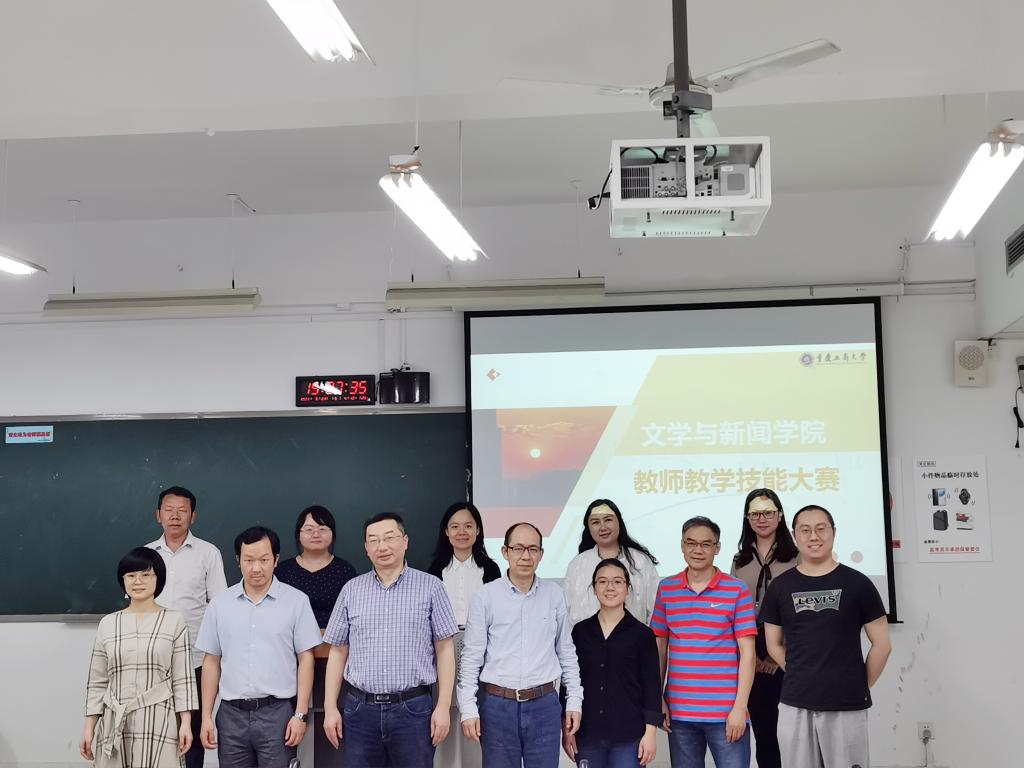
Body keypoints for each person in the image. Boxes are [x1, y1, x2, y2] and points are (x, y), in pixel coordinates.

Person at [322, 512, 459, 768]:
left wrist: (443, 707)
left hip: (413, 709)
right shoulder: (351, 590)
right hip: (360, 711)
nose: (382, 546)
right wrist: (330, 708)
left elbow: (445, 649)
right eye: (373, 540)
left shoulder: (431, 587)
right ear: (366, 548)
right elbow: (338, 652)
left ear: (405, 541)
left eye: (389, 538)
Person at [761, 505, 892, 768]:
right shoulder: (780, 587)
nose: (814, 536)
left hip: (846, 705)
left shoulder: (858, 583)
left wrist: (859, 684)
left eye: (821, 529)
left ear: (834, 532)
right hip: (795, 703)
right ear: (794, 535)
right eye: (805, 530)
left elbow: (882, 645)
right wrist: (799, 671)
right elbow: (773, 644)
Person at [458, 522, 584, 768]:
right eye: (518, 548)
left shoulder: (554, 594)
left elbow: (567, 652)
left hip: (544, 705)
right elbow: (471, 658)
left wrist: (574, 701)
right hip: (497, 707)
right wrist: (469, 708)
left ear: (541, 554)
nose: (526, 556)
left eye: (533, 549)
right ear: (505, 552)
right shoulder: (485, 596)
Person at [195, 526, 322, 768]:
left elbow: (306, 659)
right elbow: (211, 661)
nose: (256, 568)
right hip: (231, 715)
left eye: (263, 560)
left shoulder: (296, 601)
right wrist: (206, 717)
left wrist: (300, 714)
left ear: (275, 560)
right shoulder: (220, 605)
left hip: (277, 713)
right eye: (249, 560)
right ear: (238, 560)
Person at [651, 516, 756, 768]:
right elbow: (659, 648)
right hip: (679, 713)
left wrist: (740, 707)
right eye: (691, 543)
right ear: (682, 545)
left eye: (706, 544)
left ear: (717, 548)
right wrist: (658, 698)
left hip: (726, 714)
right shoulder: (667, 589)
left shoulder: (737, 590)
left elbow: (748, 654)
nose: (698, 550)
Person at [81, 546, 198, 768]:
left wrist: (185, 722)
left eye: (146, 575)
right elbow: (97, 681)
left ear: (158, 578)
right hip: (115, 719)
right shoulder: (108, 623)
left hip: (159, 717)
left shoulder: (174, 621)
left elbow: (183, 678)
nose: (138, 581)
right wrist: (89, 727)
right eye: (131, 575)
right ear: (123, 580)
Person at [146, 486, 227, 768]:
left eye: (182, 511)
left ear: (193, 516)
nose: (175, 516)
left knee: (191, 734)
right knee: (153, 731)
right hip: (152, 660)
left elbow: (219, 606)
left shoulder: (208, 553)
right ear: (158, 515)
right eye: (169, 510)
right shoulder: (146, 554)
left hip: (195, 660)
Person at [275, 505, 358, 767]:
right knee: (288, 729)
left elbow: (352, 620)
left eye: (322, 529)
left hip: (335, 662)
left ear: (332, 534)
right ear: (298, 534)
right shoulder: (282, 572)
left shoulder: (345, 572)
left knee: (332, 728)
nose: (315, 534)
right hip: (289, 664)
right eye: (309, 529)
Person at [563, 558, 661, 768]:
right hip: (587, 733)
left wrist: (651, 733)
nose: (610, 587)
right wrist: (567, 728)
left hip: (629, 735)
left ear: (627, 589)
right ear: (594, 588)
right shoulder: (580, 632)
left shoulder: (642, 634)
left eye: (617, 582)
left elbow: (652, 686)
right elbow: (570, 681)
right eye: (602, 581)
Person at [426, 502, 502, 768]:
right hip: (442, 645)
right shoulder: (435, 570)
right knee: (445, 706)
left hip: (481, 645)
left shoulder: (490, 570)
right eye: (455, 526)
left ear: (478, 530)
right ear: (446, 532)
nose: (462, 532)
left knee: (475, 707)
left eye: (468, 526)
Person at [729, 488, 799, 768]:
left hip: (788, 645)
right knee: (764, 730)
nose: (762, 519)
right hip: (750, 647)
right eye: (755, 514)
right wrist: (751, 657)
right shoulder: (740, 560)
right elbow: (732, 610)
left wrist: (775, 655)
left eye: (768, 513)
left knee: (792, 732)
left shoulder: (796, 557)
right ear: (747, 519)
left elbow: (800, 612)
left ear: (779, 516)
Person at [564, 499, 660, 625]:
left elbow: (656, 610)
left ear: (619, 522)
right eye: (595, 522)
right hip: (588, 637)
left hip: (634, 636)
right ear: (588, 528)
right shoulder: (577, 565)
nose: (603, 527)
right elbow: (569, 612)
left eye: (608, 520)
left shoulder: (640, 561)